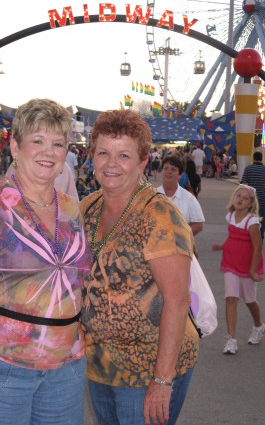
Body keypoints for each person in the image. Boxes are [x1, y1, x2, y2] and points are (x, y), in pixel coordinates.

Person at [0, 98, 93, 424]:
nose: (48, 152)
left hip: (65, 371)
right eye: (37, 141)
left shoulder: (72, 209)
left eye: (57, 144)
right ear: (15, 146)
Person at [80, 109, 198, 425]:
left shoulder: (160, 218)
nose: (111, 164)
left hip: (148, 370)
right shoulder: (87, 207)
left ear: (143, 162)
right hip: (100, 363)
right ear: (92, 155)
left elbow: (177, 301)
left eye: (124, 155)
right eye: (103, 153)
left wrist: (162, 381)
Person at [212, 184, 265, 355]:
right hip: (230, 263)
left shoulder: (252, 222)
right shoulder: (231, 216)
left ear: (250, 204)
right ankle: (231, 339)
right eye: (238, 196)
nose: (240, 199)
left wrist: (252, 270)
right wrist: (222, 245)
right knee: (231, 298)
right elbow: (232, 237)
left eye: (245, 198)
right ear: (233, 199)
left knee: (250, 300)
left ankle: (258, 326)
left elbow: (257, 248)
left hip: (248, 266)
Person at [157, 153, 205, 237]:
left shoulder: (189, 198)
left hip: (180, 248)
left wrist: (180, 237)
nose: (169, 172)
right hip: (155, 247)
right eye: (166, 168)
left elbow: (198, 225)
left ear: (180, 175)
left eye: (173, 169)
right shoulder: (152, 195)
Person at [241, 151, 265, 241]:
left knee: (250, 220)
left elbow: (244, 184)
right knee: (262, 221)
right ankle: (260, 237)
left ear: (253, 158)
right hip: (263, 200)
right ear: (261, 159)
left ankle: (250, 238)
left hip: (251, 201)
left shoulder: (248, 169)